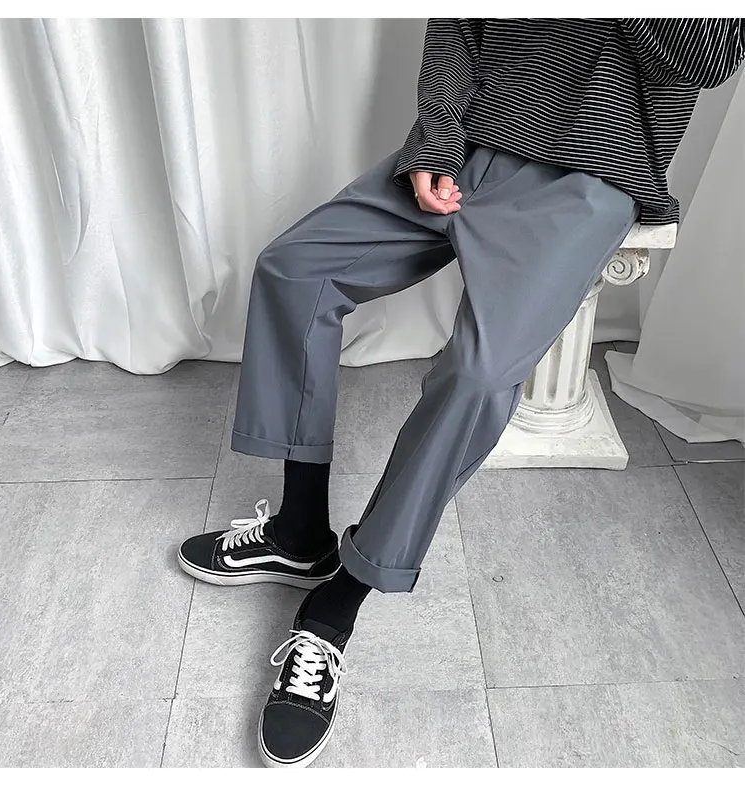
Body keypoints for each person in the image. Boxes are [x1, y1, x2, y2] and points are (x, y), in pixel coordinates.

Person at [177, 18, 745, 768]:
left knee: (476, 377)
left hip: (589, 177)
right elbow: (457, 28)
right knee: (295, 271)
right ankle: (299, 531)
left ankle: (337, 605)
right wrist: (437, 143)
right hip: (472, 142)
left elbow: (707, 56)